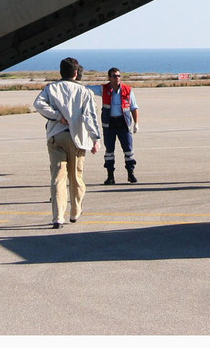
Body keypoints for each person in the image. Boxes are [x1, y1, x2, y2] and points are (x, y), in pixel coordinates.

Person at [33, 57, 102, 228]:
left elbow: (38, 103)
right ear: (76, 73)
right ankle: (75, 211)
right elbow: (90, 116)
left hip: (57, 136)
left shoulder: (51, 88)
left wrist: (57, 116)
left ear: (61, 72)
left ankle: (58, 217)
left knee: (58, 178)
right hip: (78, 138)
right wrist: (96, 138)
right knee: (76, 177)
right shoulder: (85, 92)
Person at [98, 67, 139, 184]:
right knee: (109, 151)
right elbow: (88, 89)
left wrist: (136, 123)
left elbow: (134, 107)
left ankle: (131, 174)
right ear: (109, 78)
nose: (117, 78)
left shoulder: (127, 90)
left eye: (119, 76)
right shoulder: (103, 89)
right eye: (114, 76)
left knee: (128, 150)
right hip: (109, 124)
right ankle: (110, 176)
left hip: (123, 124)